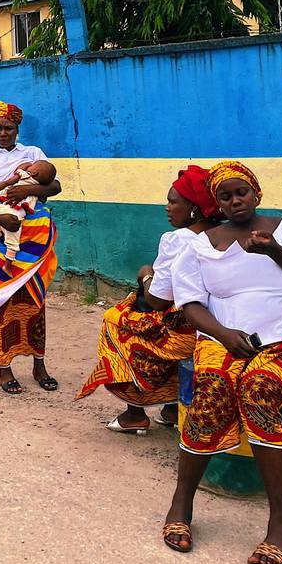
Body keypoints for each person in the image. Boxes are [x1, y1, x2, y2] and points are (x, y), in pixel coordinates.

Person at [163, 161, 282, 564]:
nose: (234, 201)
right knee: (211, 390)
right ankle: (182, 502)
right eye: (225, 196)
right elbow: (190, 303)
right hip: (221, 339)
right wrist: (226, 334)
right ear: (217, 203)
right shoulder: (198, 245)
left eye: (241, 193)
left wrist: (274, 250)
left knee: (260, 385)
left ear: (256, 193)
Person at [76, 165, 221, 433]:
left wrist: (145, 274)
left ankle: (135, 413)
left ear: (195, 208)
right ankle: (171, 408)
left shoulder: (178, 240)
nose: (167, 207)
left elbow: (157, 300)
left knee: (115, 322)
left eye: (173, 201)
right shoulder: (225, 235)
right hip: (215, 324)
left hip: (185, 332)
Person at [0, 101, 62, 394]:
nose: (3, 133)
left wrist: (28, 190)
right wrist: (1, 219)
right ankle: (3, 368)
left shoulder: (32, 154)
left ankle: (39, 364)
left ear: (18, 129)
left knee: (34, 301)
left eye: (9, 128)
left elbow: (54, 186)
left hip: (33, 244)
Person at [0, 160, 58, 276]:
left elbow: (9, 180)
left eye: (32, 166)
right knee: (11, 238)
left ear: (34, 172)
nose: (29, 165)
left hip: (8, 209)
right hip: (20, 212)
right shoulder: (39, 186)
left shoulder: (24, 175)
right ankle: (6, 265)